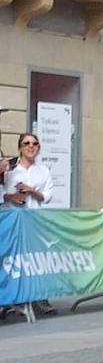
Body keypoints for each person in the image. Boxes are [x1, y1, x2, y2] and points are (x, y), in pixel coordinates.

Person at [2, 133, 56, 314]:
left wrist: (32, 190)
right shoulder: (9, 170)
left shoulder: (44, 170)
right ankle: (12, 300)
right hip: (13, 222)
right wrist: (11, 197)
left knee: (36, 258)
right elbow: (2, 194)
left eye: (34, 144)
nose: (30, 147)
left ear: (39, 148)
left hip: (35, 222)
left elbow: (47, 197)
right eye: (26, 143)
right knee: (12, 260)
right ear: (20, 147)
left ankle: (40, 299)